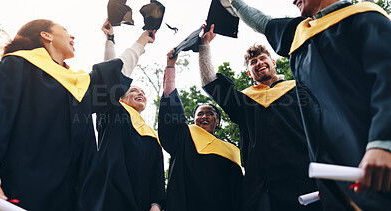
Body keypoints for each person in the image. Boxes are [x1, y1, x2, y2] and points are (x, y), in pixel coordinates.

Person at [226, 0, 391, 210]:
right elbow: (263, 23)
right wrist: (233, 3)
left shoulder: (364, 18)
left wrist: (383, 141)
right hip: (336, 173)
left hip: (375, 154)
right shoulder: (301, 34)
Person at [0, 19, 129, 210]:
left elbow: (113, 75)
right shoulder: (16, 65)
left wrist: (139, 40)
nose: (72, 36)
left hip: (73, 200)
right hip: (22, 194)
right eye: (65, 30)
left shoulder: (76, 84)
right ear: (46, 36)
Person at [199, 24, 321, 211]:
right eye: (253, 62)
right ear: (249, 73)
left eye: (263, 58)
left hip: (306, 176)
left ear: (273, 62)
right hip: (263, 187)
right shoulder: (244, 100)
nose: (259, 63)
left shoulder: (299, 89)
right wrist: (204, 46)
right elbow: (210, 81)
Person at [76, 20, 165, 211]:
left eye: (142, 91)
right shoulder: (113, 112)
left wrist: (156, 203)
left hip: (140, 203)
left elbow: (156, 173)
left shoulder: (151, 134)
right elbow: (110, 77)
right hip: (109, 197)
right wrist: (110, 40)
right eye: (133, 90)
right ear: (121, 98)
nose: (140, 93)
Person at [157, 48, 243, 211]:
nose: (204, 117)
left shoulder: (231, 151)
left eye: (210, 114)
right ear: (194, 119)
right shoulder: (183, 135)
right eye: (200, 114)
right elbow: (171, 102)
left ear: (217, 121)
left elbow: (237, 194)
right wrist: (170, 67)